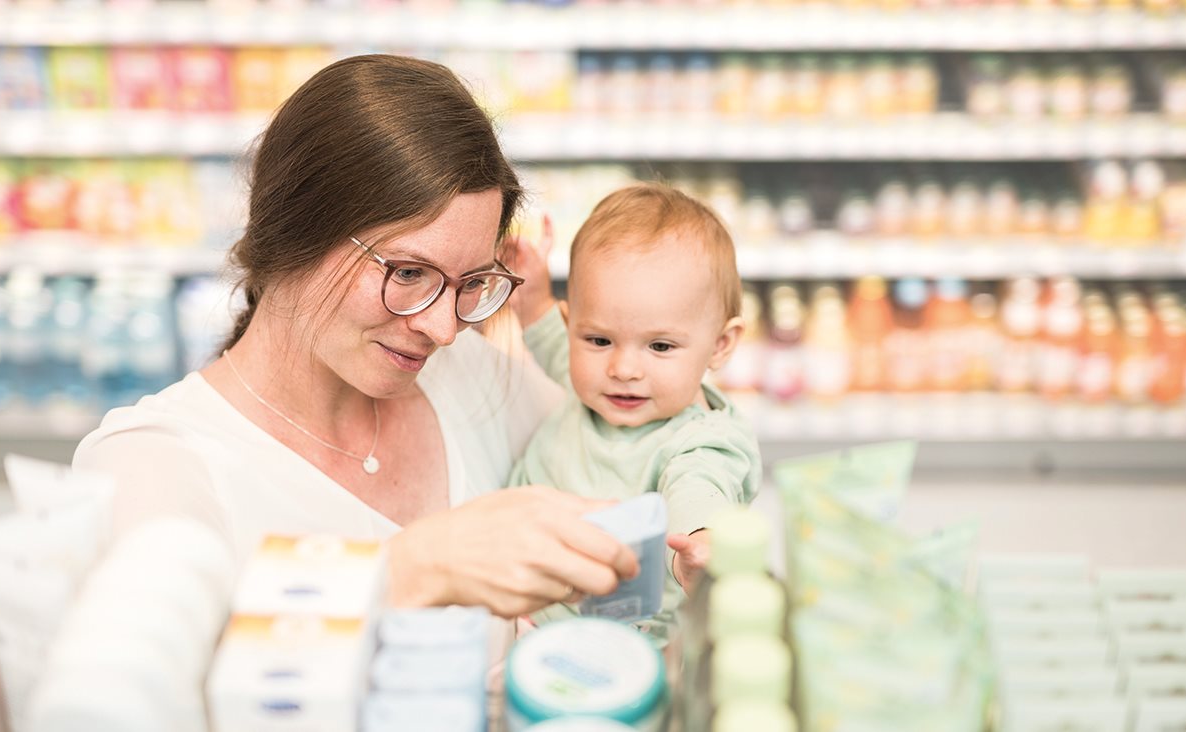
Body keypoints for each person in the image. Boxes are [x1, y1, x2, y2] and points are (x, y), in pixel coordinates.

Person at [73, 54, 638, 620]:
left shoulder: (474, 376)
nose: (443, 330)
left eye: (471, 283)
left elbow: (635, 453)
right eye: (409, 273)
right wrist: (421, 565)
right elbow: (162, 677)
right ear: (293, 230)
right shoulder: (150, 461)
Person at [505, 183, 763, 626]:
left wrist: (700, 541)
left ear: (720, 345)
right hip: (526, 596)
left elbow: (696, 488)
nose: (623, 368)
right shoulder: (596, 380)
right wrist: (533, 298)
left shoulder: (699, 443)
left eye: (660, 347)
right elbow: (553, 344)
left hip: (618, 636)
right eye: (599, 339)